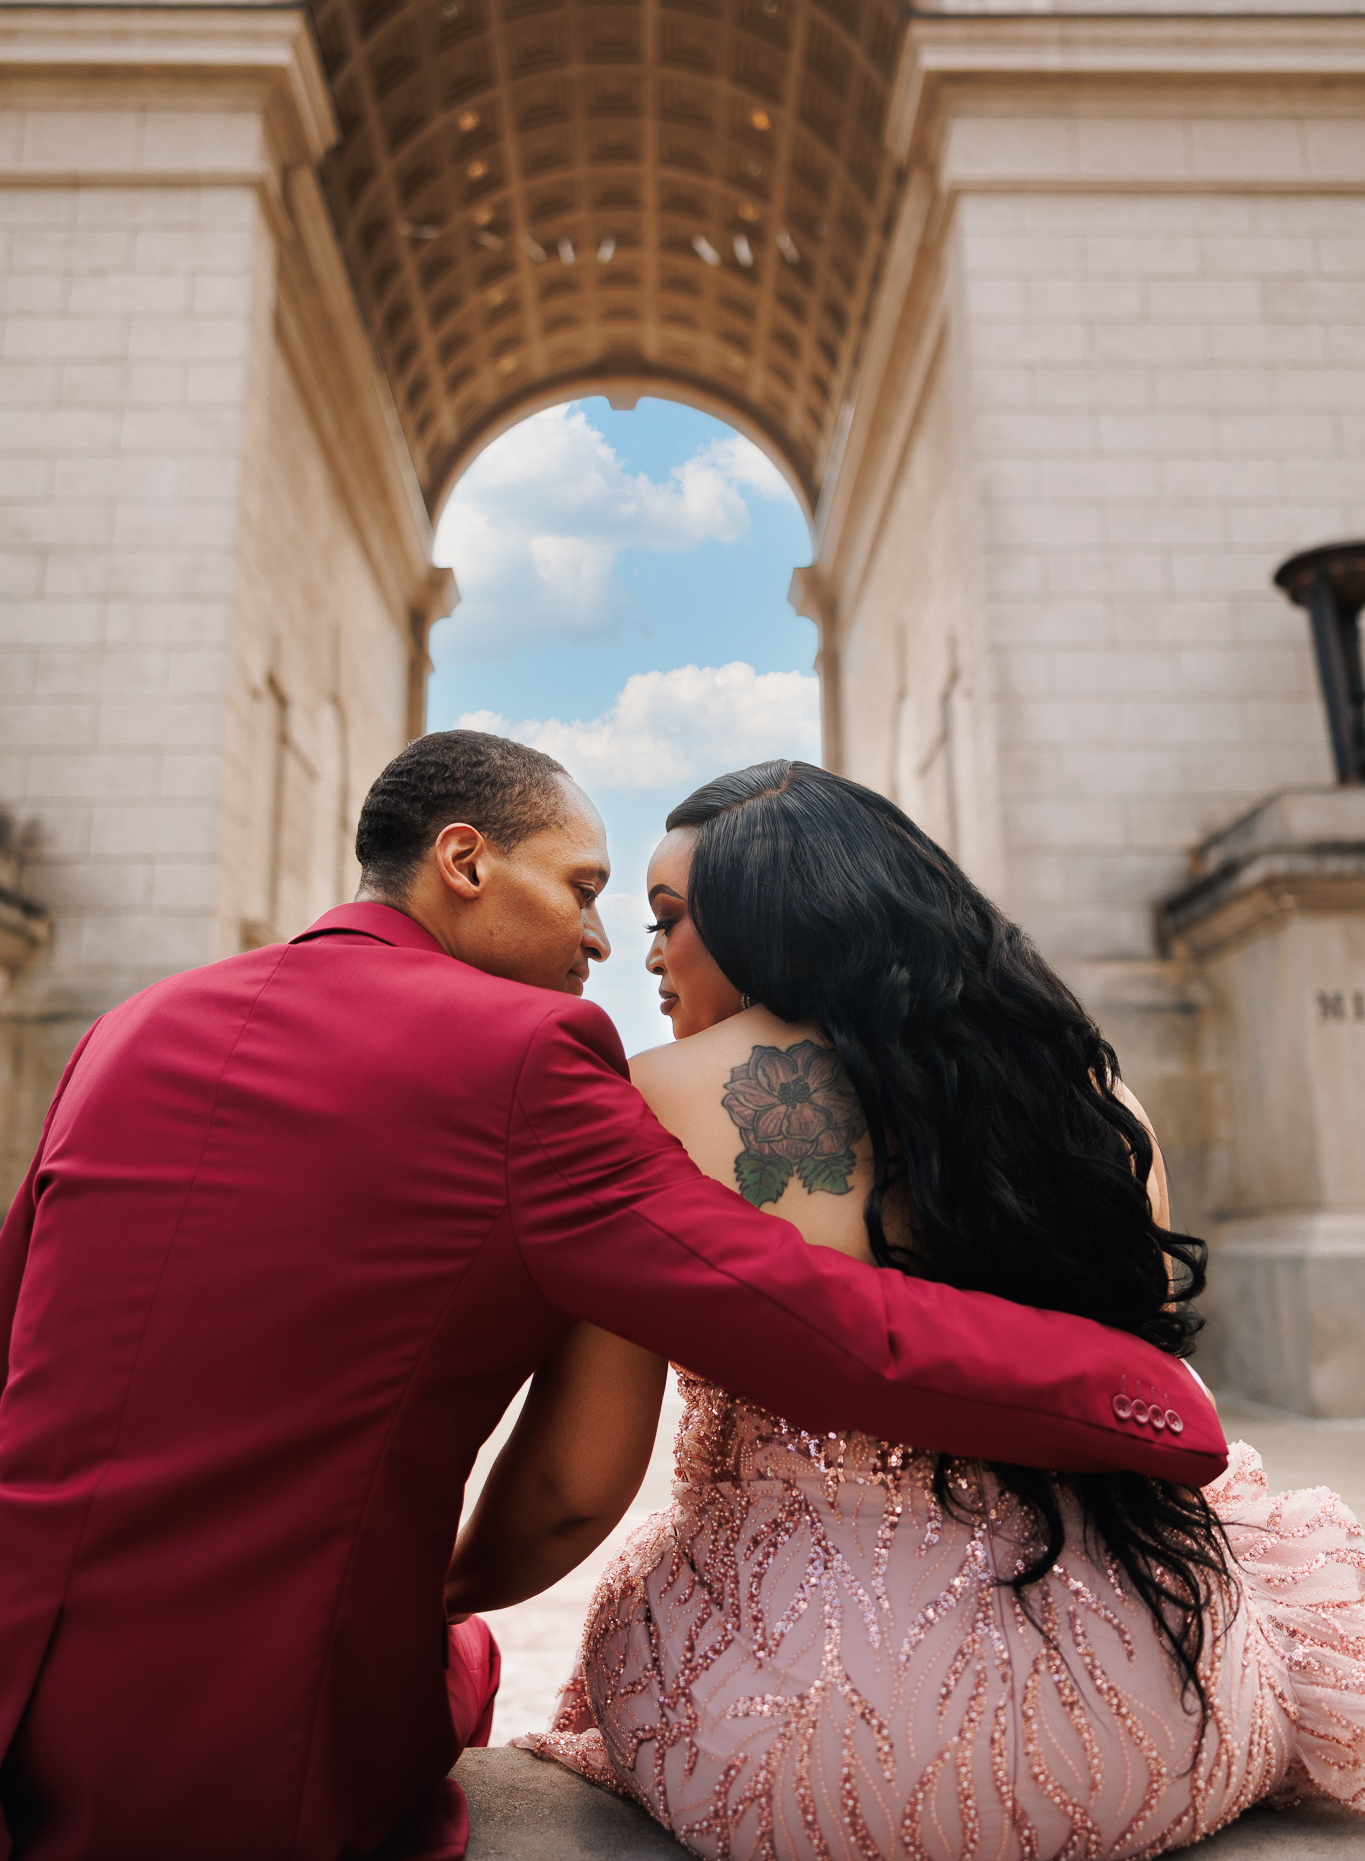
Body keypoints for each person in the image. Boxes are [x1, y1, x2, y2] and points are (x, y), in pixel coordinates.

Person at [0, 735, 1223, 1861]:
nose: (602, 944)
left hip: (21, 1696)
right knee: (459, 1654)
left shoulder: (128, 1027)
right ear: (464, 862)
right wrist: (1143, 1389)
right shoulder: (526, 1058)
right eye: (585, 890)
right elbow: (816, 1323)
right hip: (253, 1764)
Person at [449, 761, 1365, 1857]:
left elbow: (571, 1489)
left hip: (796, 1744)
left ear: (764, 919)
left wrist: (437, 1595)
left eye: (668, 917)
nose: (646, 955)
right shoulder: (1089, 1097)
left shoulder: (653, 1102)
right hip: (1159, 1715)